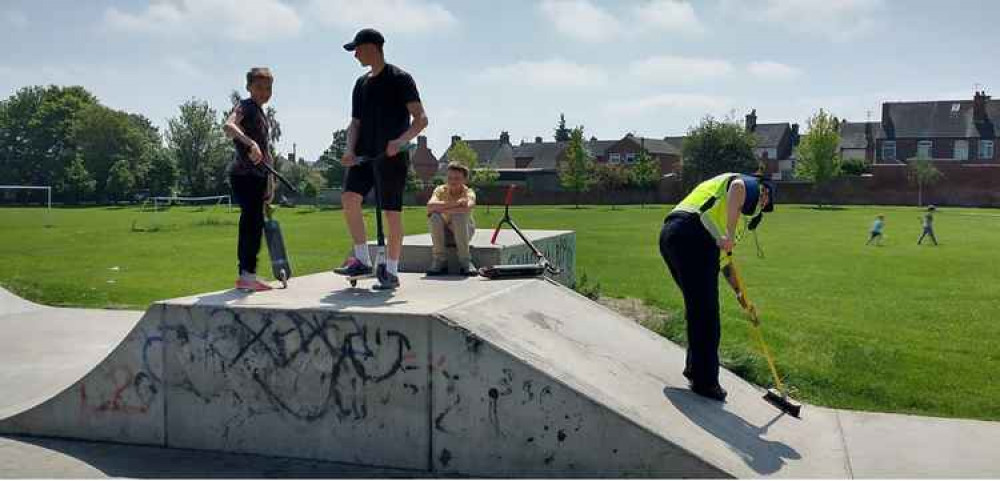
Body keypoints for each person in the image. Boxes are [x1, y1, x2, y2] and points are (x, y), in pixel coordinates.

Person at [659, 173, 774, 402]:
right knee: (706, 314)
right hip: (694, 234)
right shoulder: (749, 185)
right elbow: (739, 187)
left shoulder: (726, 213)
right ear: (764, 190)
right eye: (764, 200)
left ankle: (696, 372)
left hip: (673, 235)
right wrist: (729, 234)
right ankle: (705, 382)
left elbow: (724, 263)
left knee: (700, 309)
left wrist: (743, 298)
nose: (761, 204)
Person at [333, 28, 429, 289]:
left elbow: (421, 119)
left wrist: (400, 142)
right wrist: (349, 150)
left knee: (391, 214)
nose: (355, 56)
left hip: (391, 156)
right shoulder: (361, 84)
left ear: (372, 47)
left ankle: (392, 271)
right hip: (364, 155)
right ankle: (362, 260)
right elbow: (355, 123)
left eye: (357, 49)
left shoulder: (400, 78)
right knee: (349, 199)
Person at [223, 67, 276, 292]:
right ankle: (246, 275)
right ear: (249, 88)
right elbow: (229, 125)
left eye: (268, 88)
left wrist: (270, 181)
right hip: (244, 175)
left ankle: (248, 274)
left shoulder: (261, 113)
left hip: (258, 177)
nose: (264, 92)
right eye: (259, 87)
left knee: (255, 224)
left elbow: (266, 152)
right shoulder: (245, 106)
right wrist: (249, 142)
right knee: (251, 224)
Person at [426, 162, 477, 276]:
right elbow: (430, 206)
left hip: (464, 231)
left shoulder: (468, 192)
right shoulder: (440, 190)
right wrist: (455, 204)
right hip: (444, 233)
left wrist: (440, 208)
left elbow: (466, 209)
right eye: (449, 177)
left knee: (458, 216)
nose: (452, 181)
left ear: (464, 180)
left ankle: (465, 261)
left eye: (457, 178)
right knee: (434, 217)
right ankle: (439, 260)